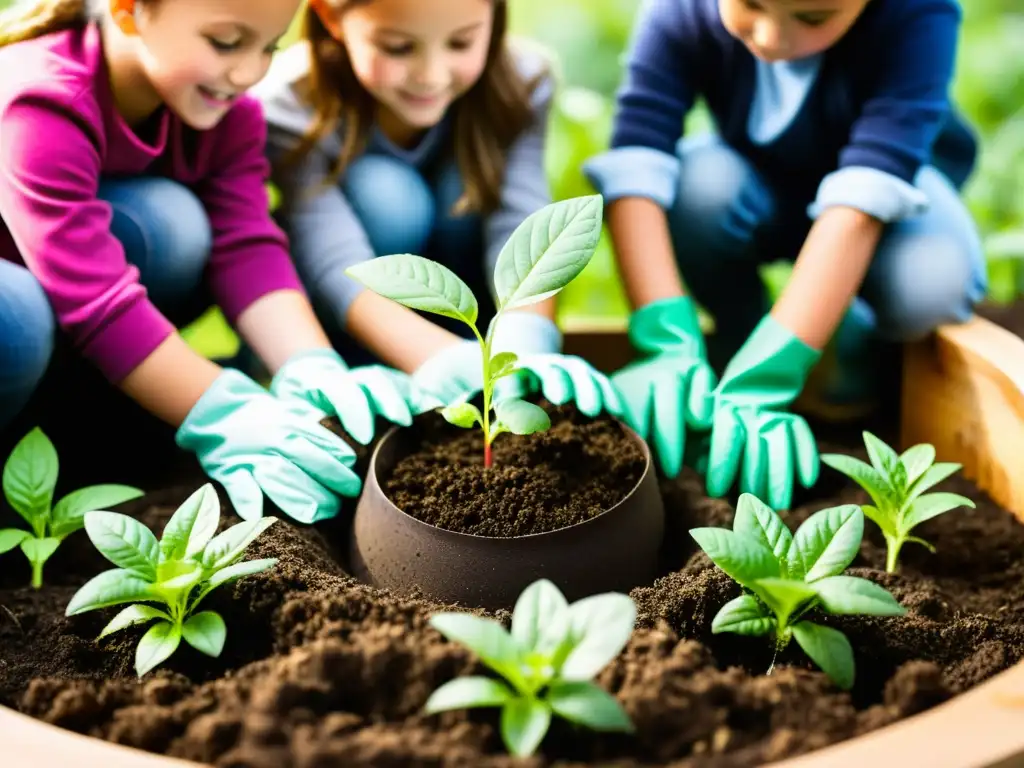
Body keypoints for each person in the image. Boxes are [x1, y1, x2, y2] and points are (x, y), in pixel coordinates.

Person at [0, 0, 428, 525]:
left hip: (68, 322)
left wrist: (311, 362)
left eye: (269, 45)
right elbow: (95, 297)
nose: (249, 72)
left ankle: (93, 418)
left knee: (173, 223)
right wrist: (219, 412)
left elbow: (246, 245)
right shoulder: (41, 97)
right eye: (225, 42)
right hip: (24, 305)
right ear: (129, 11)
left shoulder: (228, 112)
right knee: (14, 320)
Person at [584, 0, 986, 509]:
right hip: (758, 184)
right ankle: (734, 339)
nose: (772, 37)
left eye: (814, 18)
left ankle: (856, 344)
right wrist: (661, 336)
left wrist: (772, 372)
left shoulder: (918, 15)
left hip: (890, 203)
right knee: (699, 188)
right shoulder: (679, 12)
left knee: (930, 281)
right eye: (750, 4)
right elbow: (637, 165)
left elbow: (865, 197)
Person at [248, 0, 621, 418]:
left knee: (467, 183)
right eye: (398, 48)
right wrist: (431, 355)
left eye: (460, 43)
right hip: (360, 327)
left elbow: (522, 221)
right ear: (331, 18)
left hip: (473, 311)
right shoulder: (290, 103)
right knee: (386, 196)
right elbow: (332, 258)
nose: (431, 75)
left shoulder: (522, 82)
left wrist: (524, 339)